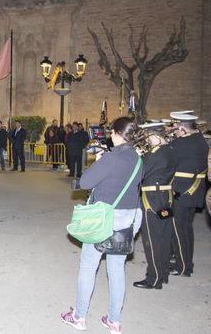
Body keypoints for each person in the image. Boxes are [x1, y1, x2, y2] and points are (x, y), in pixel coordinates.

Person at [61, 117, 143, 334]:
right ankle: (114, 321)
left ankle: (79, 317)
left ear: (116, 133)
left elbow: (86, 182)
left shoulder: (111, 158)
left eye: (111, 133)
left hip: (104, 219)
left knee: (88, 267)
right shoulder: (137, 159)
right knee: (117, 270)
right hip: (128, 219)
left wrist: (98, 161)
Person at [132, 122, 177, 290]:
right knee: (164, 237)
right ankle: (163, 273)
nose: (147, 140)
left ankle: (153, 278)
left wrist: (138, 157)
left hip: (152, 199)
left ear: (155, 135)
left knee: (152, 239)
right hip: (166, 197)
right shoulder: (170, 150)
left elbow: (140, 173)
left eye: (147, 136)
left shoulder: (154, 155)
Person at [168, 111, 209, 277]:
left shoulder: (182, 143)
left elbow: (165, 155)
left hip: (181, 193)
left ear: (184, 129)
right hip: (193, 191)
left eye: (176, 127)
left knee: (179, 230)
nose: (174, 130)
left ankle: (183, 266)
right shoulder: (200, 140)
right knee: (185, 229)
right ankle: (183, 261)